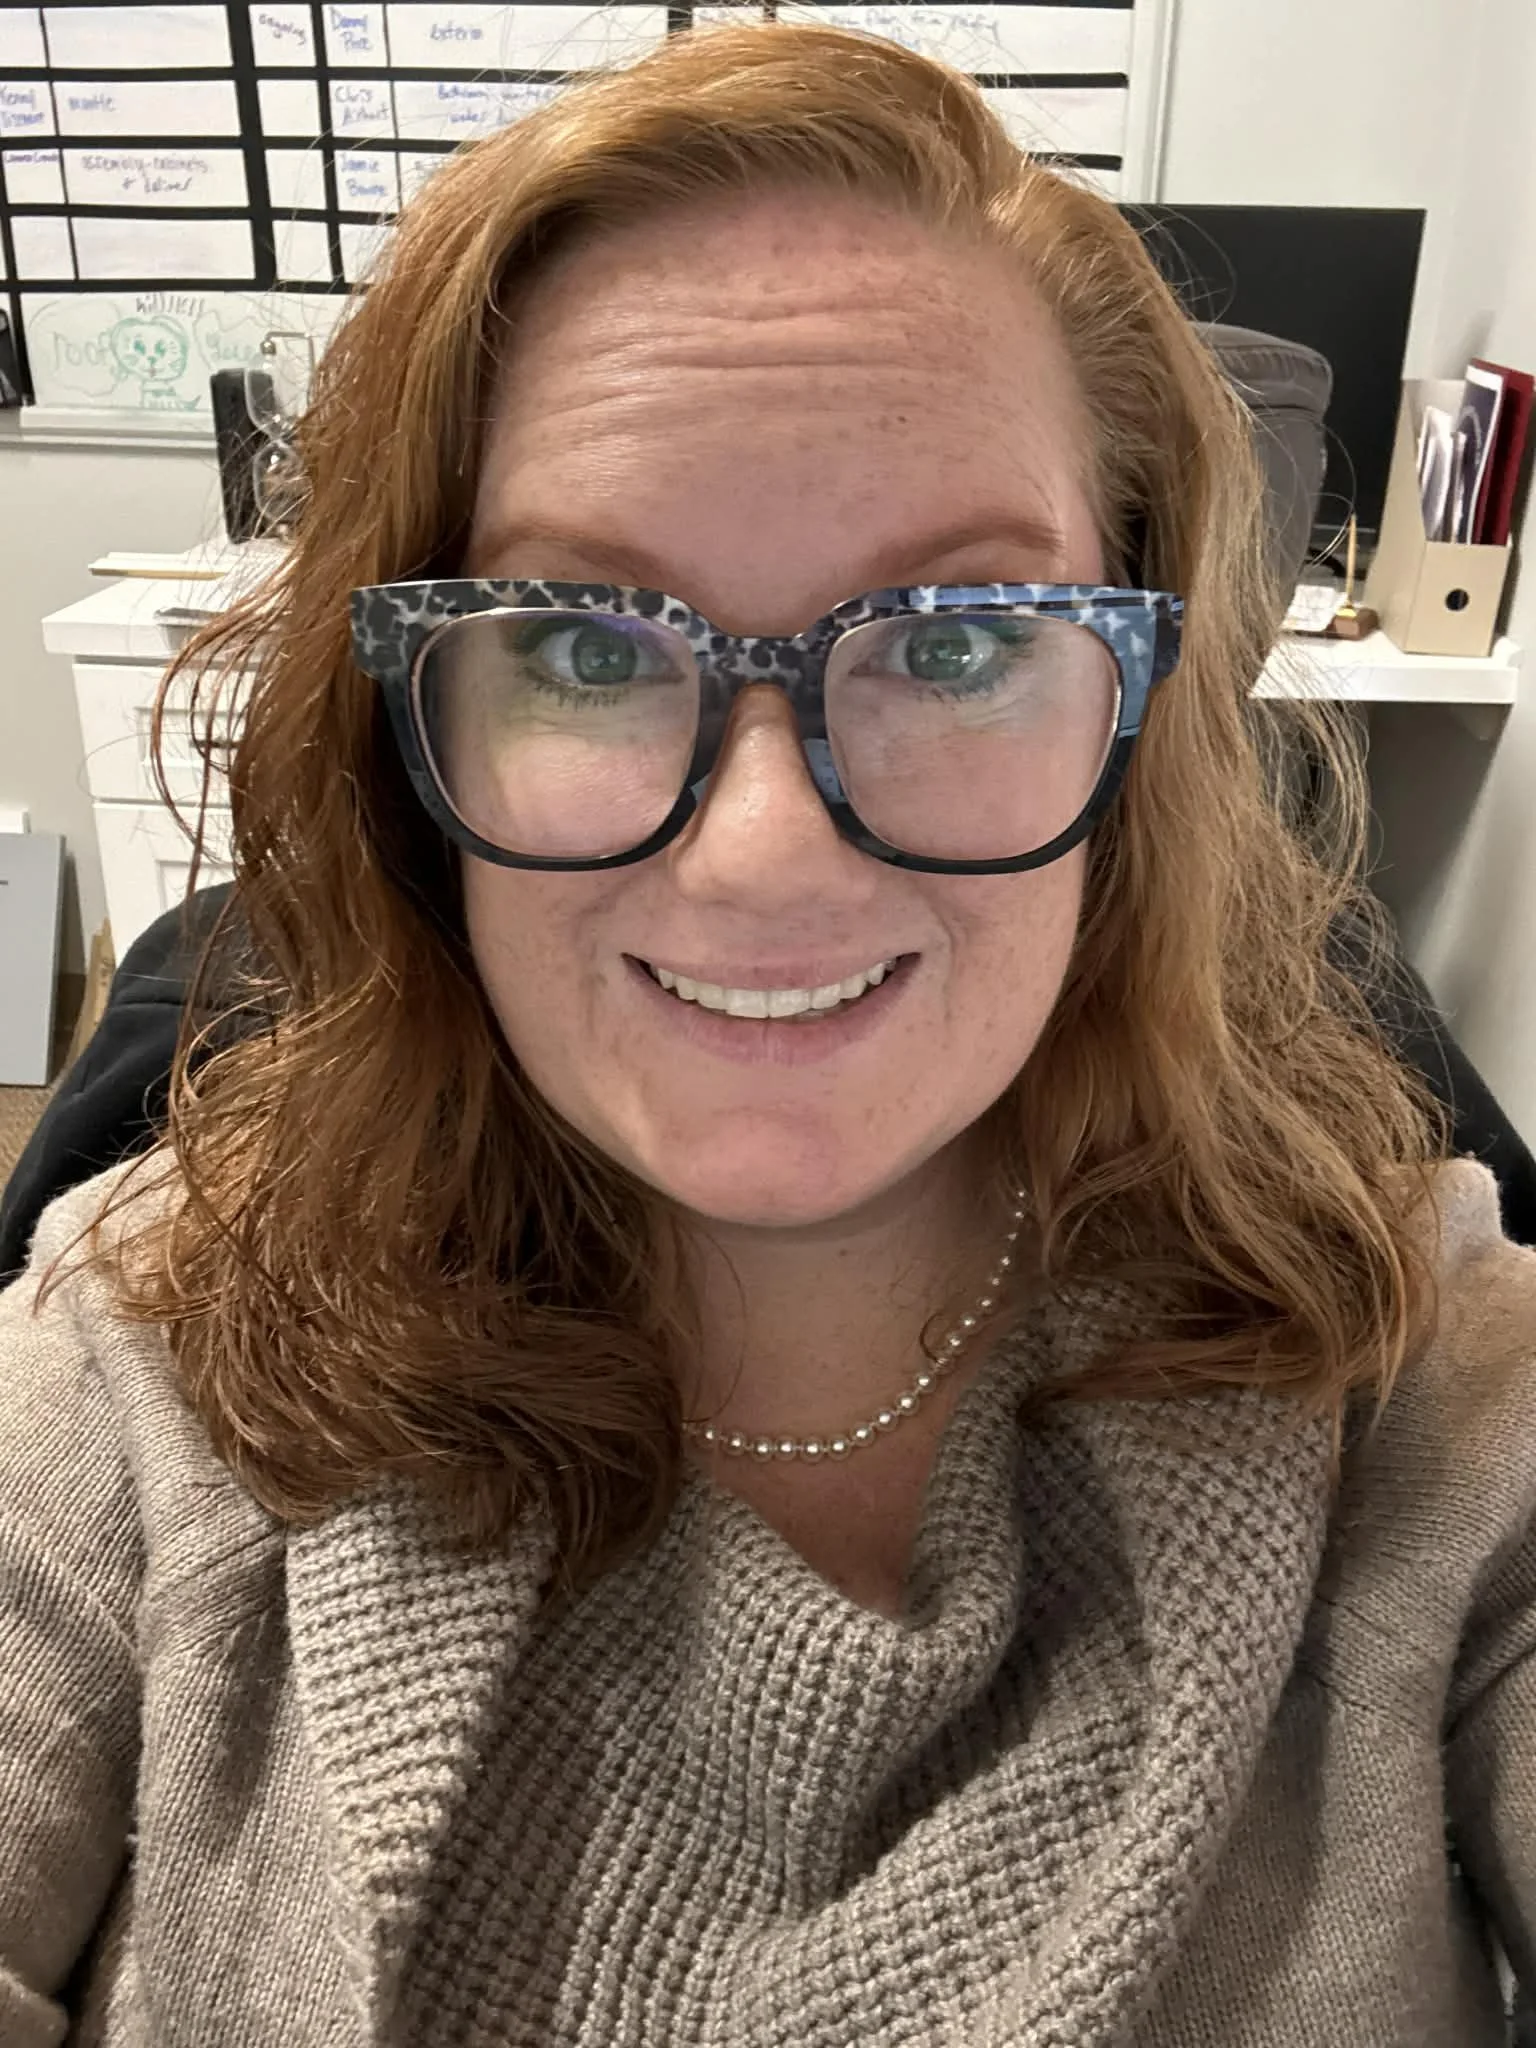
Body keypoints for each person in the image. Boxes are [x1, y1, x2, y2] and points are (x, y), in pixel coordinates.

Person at [2, 22, 1534, 2046]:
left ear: (1139, 705)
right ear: (405, 720)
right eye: (573, 641)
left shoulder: (1428, 1385)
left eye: (965, 638)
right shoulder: (152, 1358)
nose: (760, 858)